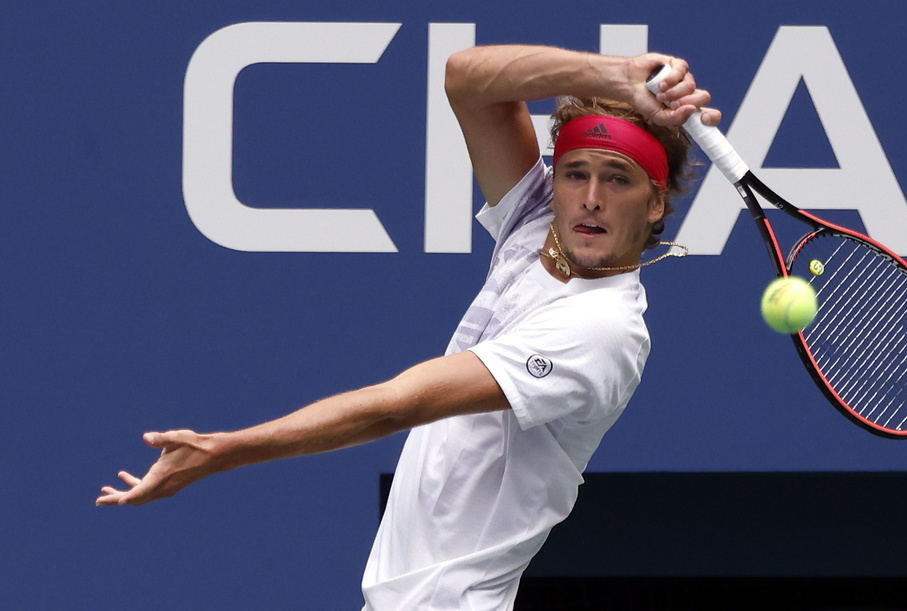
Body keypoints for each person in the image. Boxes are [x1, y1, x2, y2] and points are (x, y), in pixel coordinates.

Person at [97, 44, 720, 610]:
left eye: (617, 179)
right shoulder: (539, 222)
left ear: (657, 202)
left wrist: (225, 450)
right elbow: (465, 78)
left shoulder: (603, 329)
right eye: (575, 173)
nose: (589, 198)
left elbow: (399, 405)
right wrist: (611, 75)